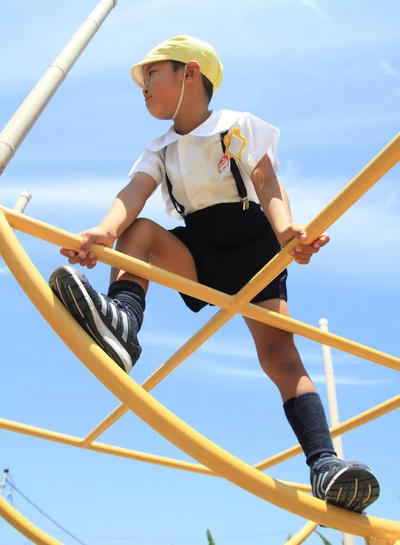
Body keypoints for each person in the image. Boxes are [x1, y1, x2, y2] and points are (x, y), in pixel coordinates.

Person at [49, 35, 379, 513]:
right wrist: (104, 230)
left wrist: (288, 232)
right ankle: (123, 322)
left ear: (190, 74)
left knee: (281, 357)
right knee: (139, 232)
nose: (142, 86)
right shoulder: (159, 149)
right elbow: (135, 192)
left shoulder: (234, 126)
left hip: (255, 249)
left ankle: (324, 464)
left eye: (151, 74)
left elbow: (265, 181)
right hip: (200, 249)